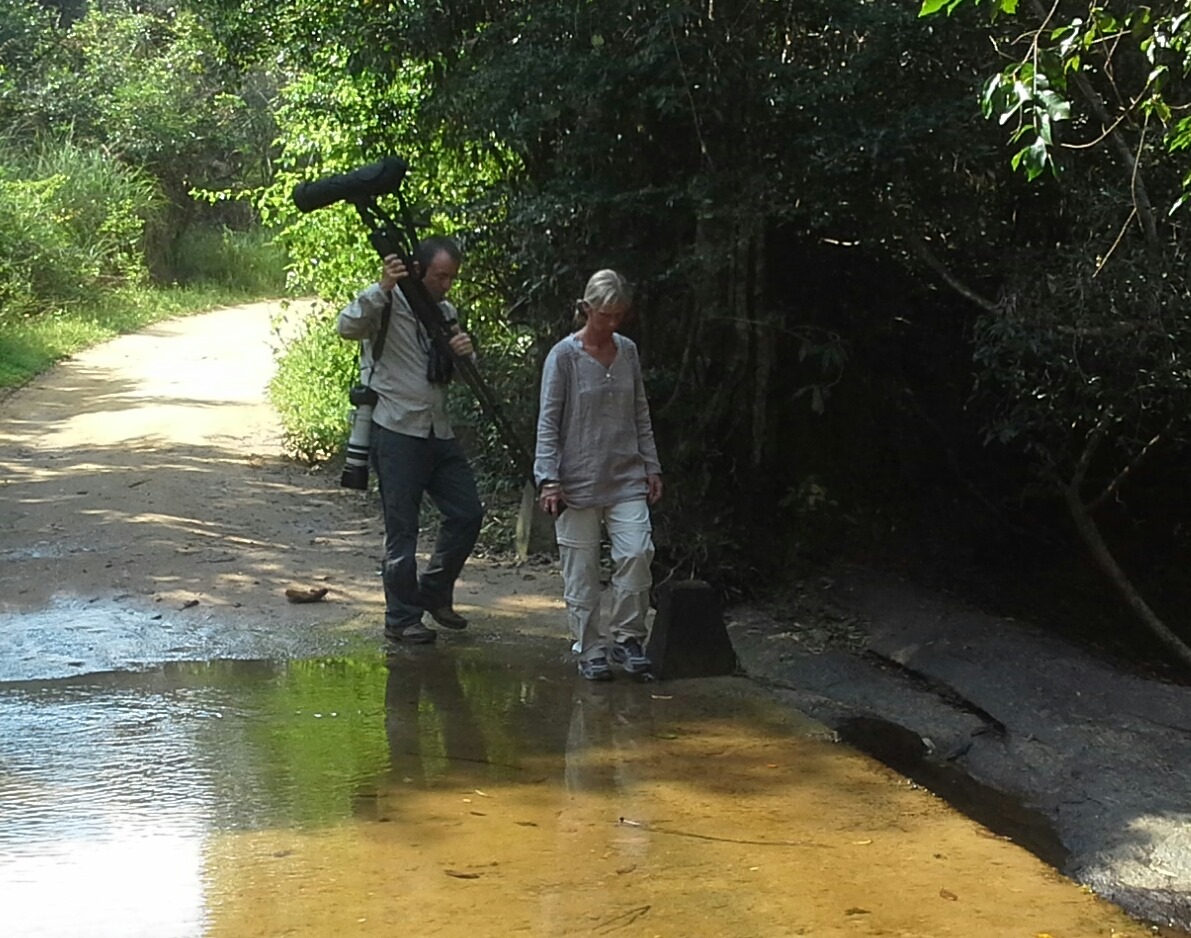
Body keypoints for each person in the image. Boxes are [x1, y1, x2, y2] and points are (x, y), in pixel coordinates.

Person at [337, 236, 484, 644]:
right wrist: (382, 286)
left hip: (438, 430)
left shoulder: (446, 312)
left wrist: (465, 354)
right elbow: (346, 326)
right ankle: (401, 619)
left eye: (452, 278)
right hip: (396, 429)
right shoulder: (386, 303)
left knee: (468, 513)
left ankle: (433, 591)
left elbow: (460, 375)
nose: (446, 285)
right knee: (402, 531)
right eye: (440, 276)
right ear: (419, 270)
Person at [534, 269, 664, 680]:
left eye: (619, 315)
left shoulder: (628, 352)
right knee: (582, 571)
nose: (612, 323)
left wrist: (651, 465)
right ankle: (589, 647)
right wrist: (548, 479)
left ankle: (628, 637)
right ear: (587, 309)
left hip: (626, 475)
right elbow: (548, 421)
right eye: (605, 315)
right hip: (576, 482)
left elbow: (640, 411)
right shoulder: (563, 357)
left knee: (637, 553)